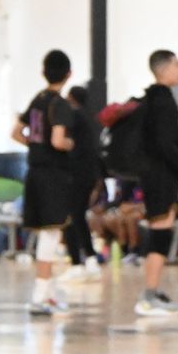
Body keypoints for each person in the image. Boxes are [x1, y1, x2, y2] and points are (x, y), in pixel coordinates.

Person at [11, 51, 76, 317]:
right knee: (51, 233)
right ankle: (39, 295)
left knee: (46, 233)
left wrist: (34, 145)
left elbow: (16, 133)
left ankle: (48, 294)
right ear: (69, 74)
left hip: (34, 171)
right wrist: (71, 144)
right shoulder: (60, 104)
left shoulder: (37, 100)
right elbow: (58, 141)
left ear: (43, 72)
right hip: (53, 174)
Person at [135, 49, 178, 316]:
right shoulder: (163, 101)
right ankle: (149, 296)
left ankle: (153, 292)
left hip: (153, 175)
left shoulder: (150, 98)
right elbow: (166, 143)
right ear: (164, 69)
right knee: (160, 234)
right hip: (161, 177)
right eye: (177, 65)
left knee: (161, 232)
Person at [63, 85, 104, 281]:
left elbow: (62, 141)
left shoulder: (74, 116)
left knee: (70, 216)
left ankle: (76, 263)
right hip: (89, 175)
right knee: (78, 215)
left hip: (76, 174)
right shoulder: (90, 118)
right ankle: (90, 259)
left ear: (71, 98)